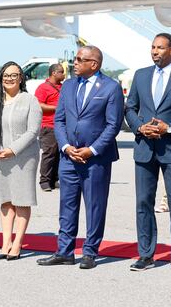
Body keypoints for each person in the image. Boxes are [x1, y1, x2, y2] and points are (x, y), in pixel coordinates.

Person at [37, 45, 124, 270]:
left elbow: (113, 125)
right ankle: (64, 251)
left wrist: (92, 150)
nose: (73, 63)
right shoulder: (68, 86)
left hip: (95, 159)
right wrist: (65, 146)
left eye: (78, 59)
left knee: (94, 206)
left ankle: (90, 252)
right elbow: (59, 120)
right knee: (67, 205)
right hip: (68, 157)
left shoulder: (111, 87)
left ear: (93, 64)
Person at [125, 33, 171, 274]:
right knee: (143, 203)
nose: (155, 51)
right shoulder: (141, 75)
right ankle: (146, 254)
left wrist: (168, 128)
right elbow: (130, 108)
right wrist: (139, 126)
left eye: (160, 48)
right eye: (153, 47)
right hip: (144, 148)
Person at [0, 62, 42, 260]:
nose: (9, 78)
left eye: (14, 75)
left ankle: (17, 243)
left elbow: (33, 131)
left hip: (22, 157)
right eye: (6, 75)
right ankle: (6, 242)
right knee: (5, 201)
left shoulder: (30, 101)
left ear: (21, 78)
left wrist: (12, 150)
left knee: (21, 200)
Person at [34, 63, 65, 191]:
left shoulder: (63, 87)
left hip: (61, 126)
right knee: (49, 154)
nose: (64, 74)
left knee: (59, 154)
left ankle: (54, 179)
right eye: (62, 72)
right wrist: (57, 108)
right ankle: (44, 181)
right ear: (54, 73)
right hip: (48, 125)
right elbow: (38, 105)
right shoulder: (43, 88)